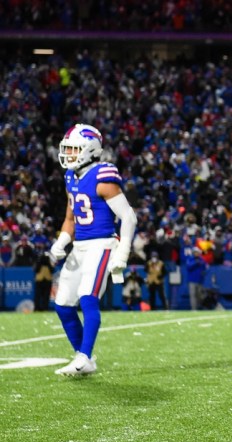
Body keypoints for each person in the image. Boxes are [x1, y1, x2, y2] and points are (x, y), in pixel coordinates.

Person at [48, 123, 137, 376]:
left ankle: (85, 356)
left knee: (88, 296)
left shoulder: (102, 176)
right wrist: (61, 242)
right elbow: (71, 218)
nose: (69, 154)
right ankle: (82, 356)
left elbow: (128, 217)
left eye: (74, 149)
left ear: (90, 150)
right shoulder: (70, 177)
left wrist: (122, 254)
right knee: (63, 303)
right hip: (80, 247)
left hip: (102, 244)